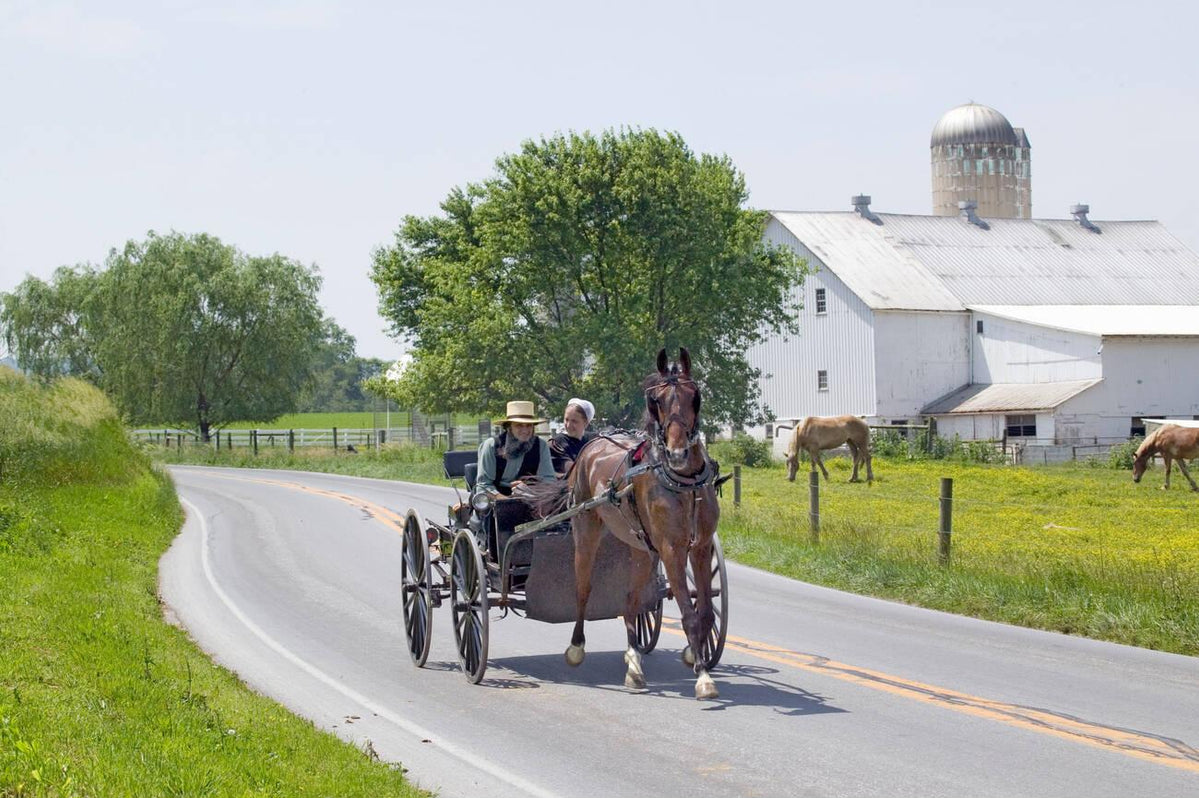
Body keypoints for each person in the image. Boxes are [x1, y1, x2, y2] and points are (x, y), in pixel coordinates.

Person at [475, 400, 556, 497]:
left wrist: (530, 491)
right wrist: (505, 501)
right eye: (519, 425)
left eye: (529, 425)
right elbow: (483, 486)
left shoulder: (541, 446)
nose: (525, 430)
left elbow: (549, 481)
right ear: (509, 427)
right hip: (494, 501)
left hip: (530, 499)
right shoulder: (491, 446)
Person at [549, 397, 596, 473]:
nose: (568, 425)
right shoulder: (557, 444)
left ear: (585, 423)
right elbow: (572, 472)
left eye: (574, 421)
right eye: (566, 420)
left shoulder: (592, 441)